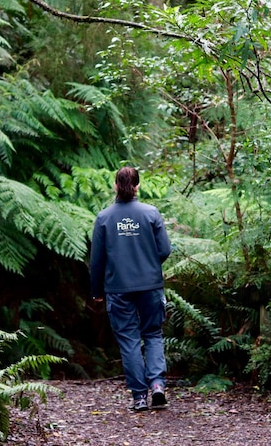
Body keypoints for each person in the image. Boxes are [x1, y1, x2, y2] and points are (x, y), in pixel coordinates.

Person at [90, 167, 172, 412]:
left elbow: (96, 260)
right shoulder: (151, 213)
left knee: (129, 341)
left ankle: (139, 397)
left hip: (118, 288)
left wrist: (97, 290)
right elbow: (165, 249)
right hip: (151, 286)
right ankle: (157, 384)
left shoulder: (104, 218)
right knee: (153, 334)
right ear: (137, 186)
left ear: (116, 186)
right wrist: (148, 263)